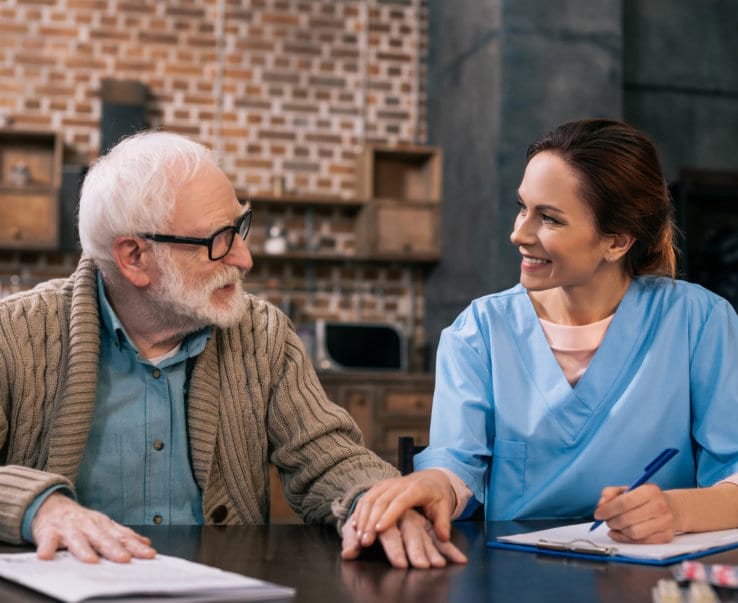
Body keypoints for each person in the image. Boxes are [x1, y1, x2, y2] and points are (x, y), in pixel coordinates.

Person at [0, 131, 465, 569]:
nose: (244, 257)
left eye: (240, 227)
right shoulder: (15, 336)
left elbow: (326, 456)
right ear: (134, 258)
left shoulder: (262, 334)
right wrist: (39, 507)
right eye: (217, 241)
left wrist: (377, 502)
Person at [345, 118, 738, 557]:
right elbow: (457, 464)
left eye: (549, 218)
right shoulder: (479, 331)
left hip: (652, 580)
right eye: (522, 208)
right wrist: (433, 482)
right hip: (515, 576)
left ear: (617, 242)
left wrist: (677, 511)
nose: (519, 233)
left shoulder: (699, 322)